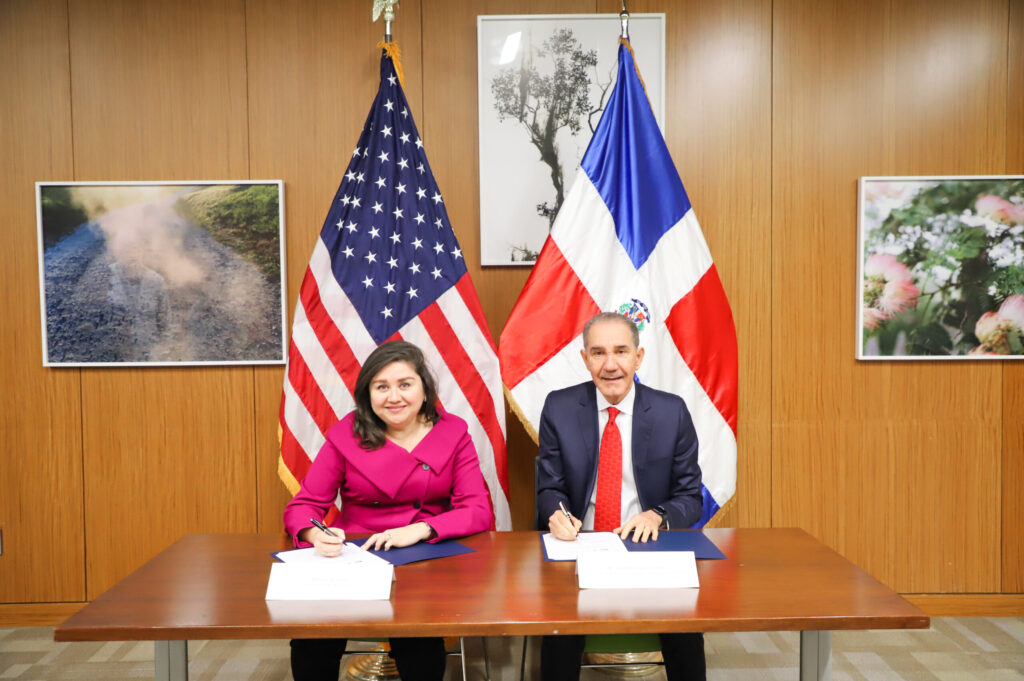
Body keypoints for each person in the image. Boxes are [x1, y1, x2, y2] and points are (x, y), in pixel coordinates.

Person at [284, 340, 493, 681]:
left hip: (427, 557)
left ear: (424, 389)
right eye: (381, 387)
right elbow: (304, 505)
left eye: (405, 385)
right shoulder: (345, 436)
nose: (394, 397)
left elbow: (478, 509)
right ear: (368, 394)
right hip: (357, 555)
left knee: (419, 643)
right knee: (312, 639)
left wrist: (422, 529)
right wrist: (313, 533)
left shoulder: (453, 433)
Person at [536, 312, 706, 681]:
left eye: (621, 352)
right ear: (584, 359)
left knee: (685, 628)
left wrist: (657, 515)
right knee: (558, 631)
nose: (610, 365)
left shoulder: (670, 411)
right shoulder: (559, 408)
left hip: (649, 544)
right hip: (579, 545)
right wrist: (557, 513)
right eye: (598, 353)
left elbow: (690, 496)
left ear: (638, 357)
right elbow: (550, 487)